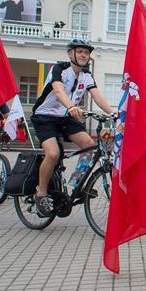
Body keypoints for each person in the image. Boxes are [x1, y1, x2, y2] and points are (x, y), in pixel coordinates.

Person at [31, 39, 116, 215]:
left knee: (90, 145)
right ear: (71, 53)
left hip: (66, 117)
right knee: (53, 153)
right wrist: (71, 106)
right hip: (44, 117)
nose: (84, 55)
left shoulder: (87, 75)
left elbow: (97, 96)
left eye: (86, 53)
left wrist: (115, 114)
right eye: (80, 52)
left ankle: (77, 182)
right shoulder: (60, 70)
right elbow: (59, 91)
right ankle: (41, 193)